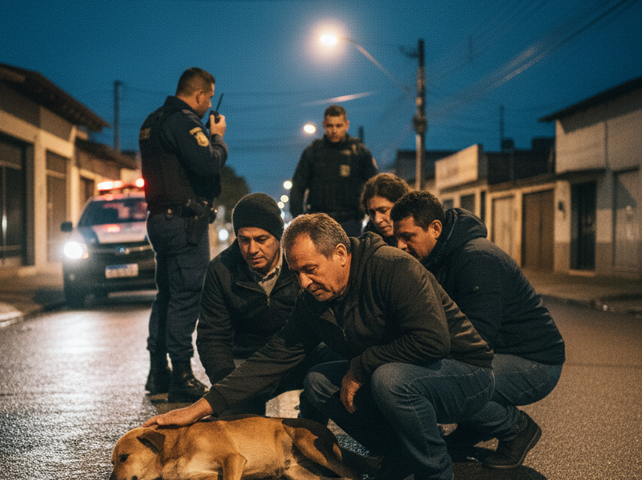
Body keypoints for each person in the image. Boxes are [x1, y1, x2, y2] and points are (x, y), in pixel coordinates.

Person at [144, 213, 496, 480]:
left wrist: (362, 365)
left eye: (310, 269)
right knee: (319, 381)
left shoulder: (393, 268)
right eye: (296, 272)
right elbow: (274, 356)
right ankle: (398, 457)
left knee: (389, 378)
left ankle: (435, 471)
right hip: (405, 373)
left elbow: (433, 340)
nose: (303, 282)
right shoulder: (314, 297)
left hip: (463, 372)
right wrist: (201, 408)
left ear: (341, 254)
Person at [390, 191, 565, 470]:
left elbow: (477, 337)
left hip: (536, 364)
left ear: (435, 228)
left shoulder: (476, 259)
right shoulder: (440, 256)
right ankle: (474, 428)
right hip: (500, 354)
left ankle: (516, 429)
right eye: (397, 238)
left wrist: (420, 353)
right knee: (435, 374)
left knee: (436, 383)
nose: (400, 245)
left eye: (408, 237)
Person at [196, 193, 339, 418]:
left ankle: (310, 418)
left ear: (279, 237)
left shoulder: (298, 263)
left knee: (333, 359)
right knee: (236, 430)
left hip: (297, 355)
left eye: (261, 239)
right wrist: (227, 386)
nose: (252, 249)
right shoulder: (221, 269)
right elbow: (212, 337)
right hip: (247, 365)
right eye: (244, 240)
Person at [139, 67, 227, 402]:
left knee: (166, 295)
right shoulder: (183, 121)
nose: (207, 105)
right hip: (183, 222)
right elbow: (208, 163)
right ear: (201, 94)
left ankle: (158, 371)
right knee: (186, 295)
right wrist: (217, 136)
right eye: (207, 97)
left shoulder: (153, 121)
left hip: (161, 218)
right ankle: (182, 375)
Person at [289, 105, 378, 237]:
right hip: (318, 221)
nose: (334, 130)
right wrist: (300, 218)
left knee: (349, 256)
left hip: (350, 221)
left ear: (347, 125)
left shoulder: (359, 152)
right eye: (330, 126)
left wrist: (373, 215)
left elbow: (374, 186)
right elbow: (298, 186)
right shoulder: (312, 152)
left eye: (339, 125)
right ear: (324, 125)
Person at [359, 173, 411, 246]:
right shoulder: (367, 242)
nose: (377, 220)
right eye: (372, 213)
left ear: (402, 205)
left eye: (383, 210)